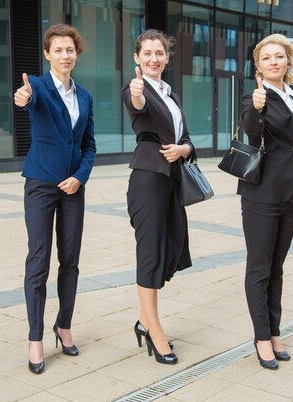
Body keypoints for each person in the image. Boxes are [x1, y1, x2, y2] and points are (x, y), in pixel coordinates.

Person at [13, 24, 96, 374]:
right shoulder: (39, 87)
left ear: (77, 55)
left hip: (72, 188)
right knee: (39, 259)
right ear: (47, 54)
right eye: (58, 50)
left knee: (71, 260)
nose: (65, 55)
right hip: (41, 185)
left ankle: (63, 325)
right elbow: (26, 100)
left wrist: (80, 177)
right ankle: (35, 338)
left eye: (70, 50)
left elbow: (89, 145)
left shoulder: (86, 96)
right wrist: (23, 96)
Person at [239, 34, 293, 370]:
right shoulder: (254, 97)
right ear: (258, 65)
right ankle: (261, 337)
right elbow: (252, 134)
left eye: (279, 56)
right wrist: (256, 109)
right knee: (260, 266)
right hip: (262, 193)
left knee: (277, 267)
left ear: (288, 61)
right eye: (266, 57)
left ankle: (274, 331)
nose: (273, 62)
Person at [121, 29, 194, 365]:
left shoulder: (171, 94)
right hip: (148, 180)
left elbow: (188, 140)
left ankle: (142, 319)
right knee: (150, 253)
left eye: (159, 53)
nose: (153, 58)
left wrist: (184, 148)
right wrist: (137, 92)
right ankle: (154, 328)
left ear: (167, 57)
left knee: (169, 247)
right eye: (147, 53)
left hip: (172, 181)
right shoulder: (136, 88)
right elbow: (136, 105)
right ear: (137, 58)